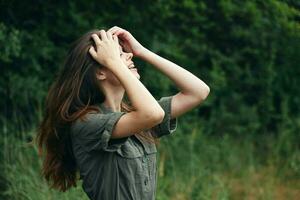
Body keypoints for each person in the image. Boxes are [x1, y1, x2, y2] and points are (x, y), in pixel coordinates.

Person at [36, 26, 210, 200]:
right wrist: (115, 63)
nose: (129, 55)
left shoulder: (135, 116)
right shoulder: (86, 123)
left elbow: (198, 92)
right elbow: (153, 114)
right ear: (100, 72)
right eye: (119, 55)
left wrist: (142, 51)